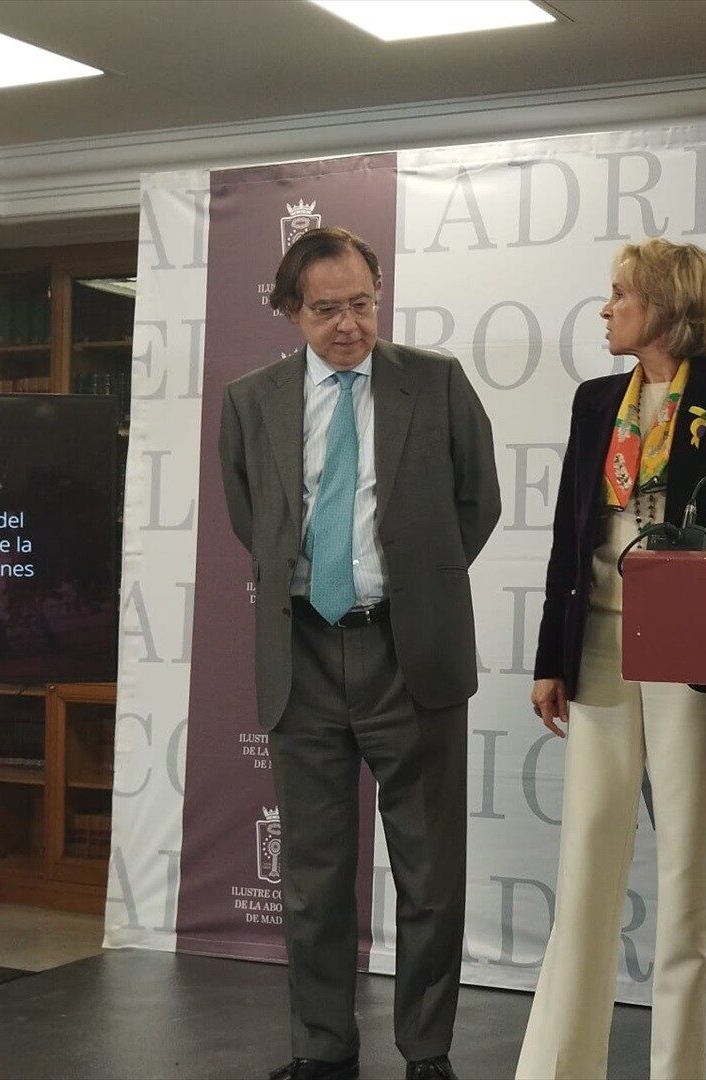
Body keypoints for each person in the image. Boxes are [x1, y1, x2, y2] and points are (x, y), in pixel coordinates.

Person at [218, 226, 500, 1080]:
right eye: (327, 310)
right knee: (312, 876)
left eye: (363, 304)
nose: (349, 325)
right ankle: (321, 1048)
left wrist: (414, 584)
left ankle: (427, 1052)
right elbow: (251, 515)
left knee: (429, 874)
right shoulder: (251, 399)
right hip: (302, 653)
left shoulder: (436, 383)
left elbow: (477, 501)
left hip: (410, 654)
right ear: (290, 311)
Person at [518, 239, 706, 1079]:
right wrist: (550, 658)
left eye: (622, 295)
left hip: (689, 649)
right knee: (586, 863)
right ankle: (560, 1068)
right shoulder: (598, 399)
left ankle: (684, 1068)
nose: (606, 308)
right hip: (597, 644)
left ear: (665, 306)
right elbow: (570, 533)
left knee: (690, 872)